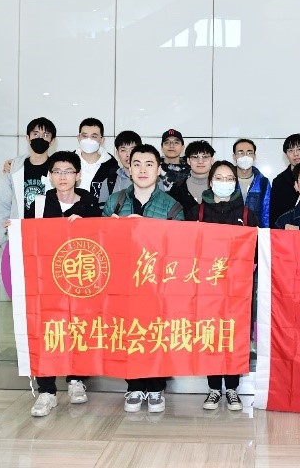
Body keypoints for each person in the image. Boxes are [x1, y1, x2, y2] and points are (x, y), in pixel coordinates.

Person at [102, 144, 185, 413]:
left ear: (159, 170)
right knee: (130, 334)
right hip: (123, 281)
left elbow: (178, 247)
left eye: (149, 164)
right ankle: (134, 386)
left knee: (156, 334)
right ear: (129, 168)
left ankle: (156, 387)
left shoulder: (172, 205)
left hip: (157, 283)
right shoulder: (115, 201)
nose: (142, 170)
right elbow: (100, 239)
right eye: (136, 164)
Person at [24, 151, 101, 417]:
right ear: (50, 175)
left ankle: (76, 379)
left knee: (78, 328)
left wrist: (86, 226)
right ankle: (47, 391)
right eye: (57, 171)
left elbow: (102, 238)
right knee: (47, 331)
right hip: (47, 281)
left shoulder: (89, 203)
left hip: (80, 280)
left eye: (68, 171)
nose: (62, 176)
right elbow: (28, 237)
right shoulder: (39, 204)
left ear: (77, 175)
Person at [186, 160, 258, 411]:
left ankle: (233, 389)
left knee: (234, 335)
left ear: (236, 183)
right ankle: (214, 388)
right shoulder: (197, 213)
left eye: (229, 179)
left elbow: (257, 251)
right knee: (211, 334)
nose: (224, 183)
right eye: (219, 178)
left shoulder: (247, 215)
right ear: (210, 181)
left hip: (238, 288)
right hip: (206, 287)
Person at [0, 117, 57, 247]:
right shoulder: (13, 168)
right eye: (35, 134)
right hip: (19, 234)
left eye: (46, 135)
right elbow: (3, 204)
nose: (40, 138)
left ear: (52, 141)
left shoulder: (58, 170)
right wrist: (3, 236)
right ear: (28, 138)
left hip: (49, 236)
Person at [269, 134, 300, 228]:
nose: (296, 154)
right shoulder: (279, 181)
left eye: (299, 149)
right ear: (286, 155)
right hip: (286, 231)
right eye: (291, 150)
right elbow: (274, 215)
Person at [75, 118, 120, 200]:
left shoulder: (112, 166)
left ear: (102, 140)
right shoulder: (68, 162)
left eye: (94, 136)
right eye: (85, 136)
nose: (89, 140)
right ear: (78, 138)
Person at [168, 140, 215, 214]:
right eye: (195, 157)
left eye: (205, 157)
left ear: (212, 160)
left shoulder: (220, 187)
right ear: (188, 161)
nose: (200, 161)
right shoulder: (177, 189)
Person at [233, 138, 271, 228]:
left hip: (254, 233)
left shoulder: (263, 182)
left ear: (254, 157)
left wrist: (264, 234)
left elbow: (266, 214)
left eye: (249, 153)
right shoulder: (226, 181)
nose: (245, 157)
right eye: (241, 153)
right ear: (234, 157)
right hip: (231, 232)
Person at [97, 130, 142, 206]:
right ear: (117, 153)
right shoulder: (109, 182)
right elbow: (102, 211)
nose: (128, 154)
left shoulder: (154, 180)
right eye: (123, 150)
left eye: (132, 149)